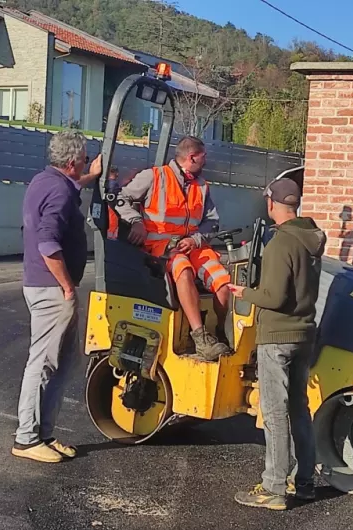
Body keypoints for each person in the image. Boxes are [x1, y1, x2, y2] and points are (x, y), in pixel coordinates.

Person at [228, 177, 326, 510]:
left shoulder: (280, 244)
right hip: (303, 335)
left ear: (271, 204)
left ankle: (273, 488)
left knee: (274, 412)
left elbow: (273, 297)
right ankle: (305, 482)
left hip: (277, 338)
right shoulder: (310, 238)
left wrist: (245, 292)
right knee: (299, 408)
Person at [13, 131, 102, 464]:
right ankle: (27, 439)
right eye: (82, 160)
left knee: (62, 361)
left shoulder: (45, 181)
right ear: (71, 162)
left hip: (42, 285)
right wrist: (67, 286)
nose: (83, 163)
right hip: (51, 289)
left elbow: (69, 188)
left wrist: (92, 175)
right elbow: (48, 244)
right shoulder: (60, 192)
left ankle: (42, 434)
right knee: (44, 362)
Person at [115, 136, 231, 361]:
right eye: (203, 157)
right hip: (161, 248)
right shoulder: (154, 176)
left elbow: (212, 222)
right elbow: (121, 198)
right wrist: (136, 221)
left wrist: (196, 240)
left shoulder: (202, 186)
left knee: (223, 283)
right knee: (183, 269)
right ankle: (200, 339)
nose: (205, 161)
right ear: (192, 157)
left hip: (193, 245)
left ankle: (219, 332)